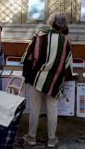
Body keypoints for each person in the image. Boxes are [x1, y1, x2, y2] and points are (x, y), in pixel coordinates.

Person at [21, 12, 73, 148]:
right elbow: (68, 65)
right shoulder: (65, 40)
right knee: (52, 110)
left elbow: (27, 57)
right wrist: (67, 75)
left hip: (36, 78)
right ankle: (51, 139)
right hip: (54, 81)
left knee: (34, 109)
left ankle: (31, 137)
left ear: (50, 22)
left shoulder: (38, 35)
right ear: (63, 25)